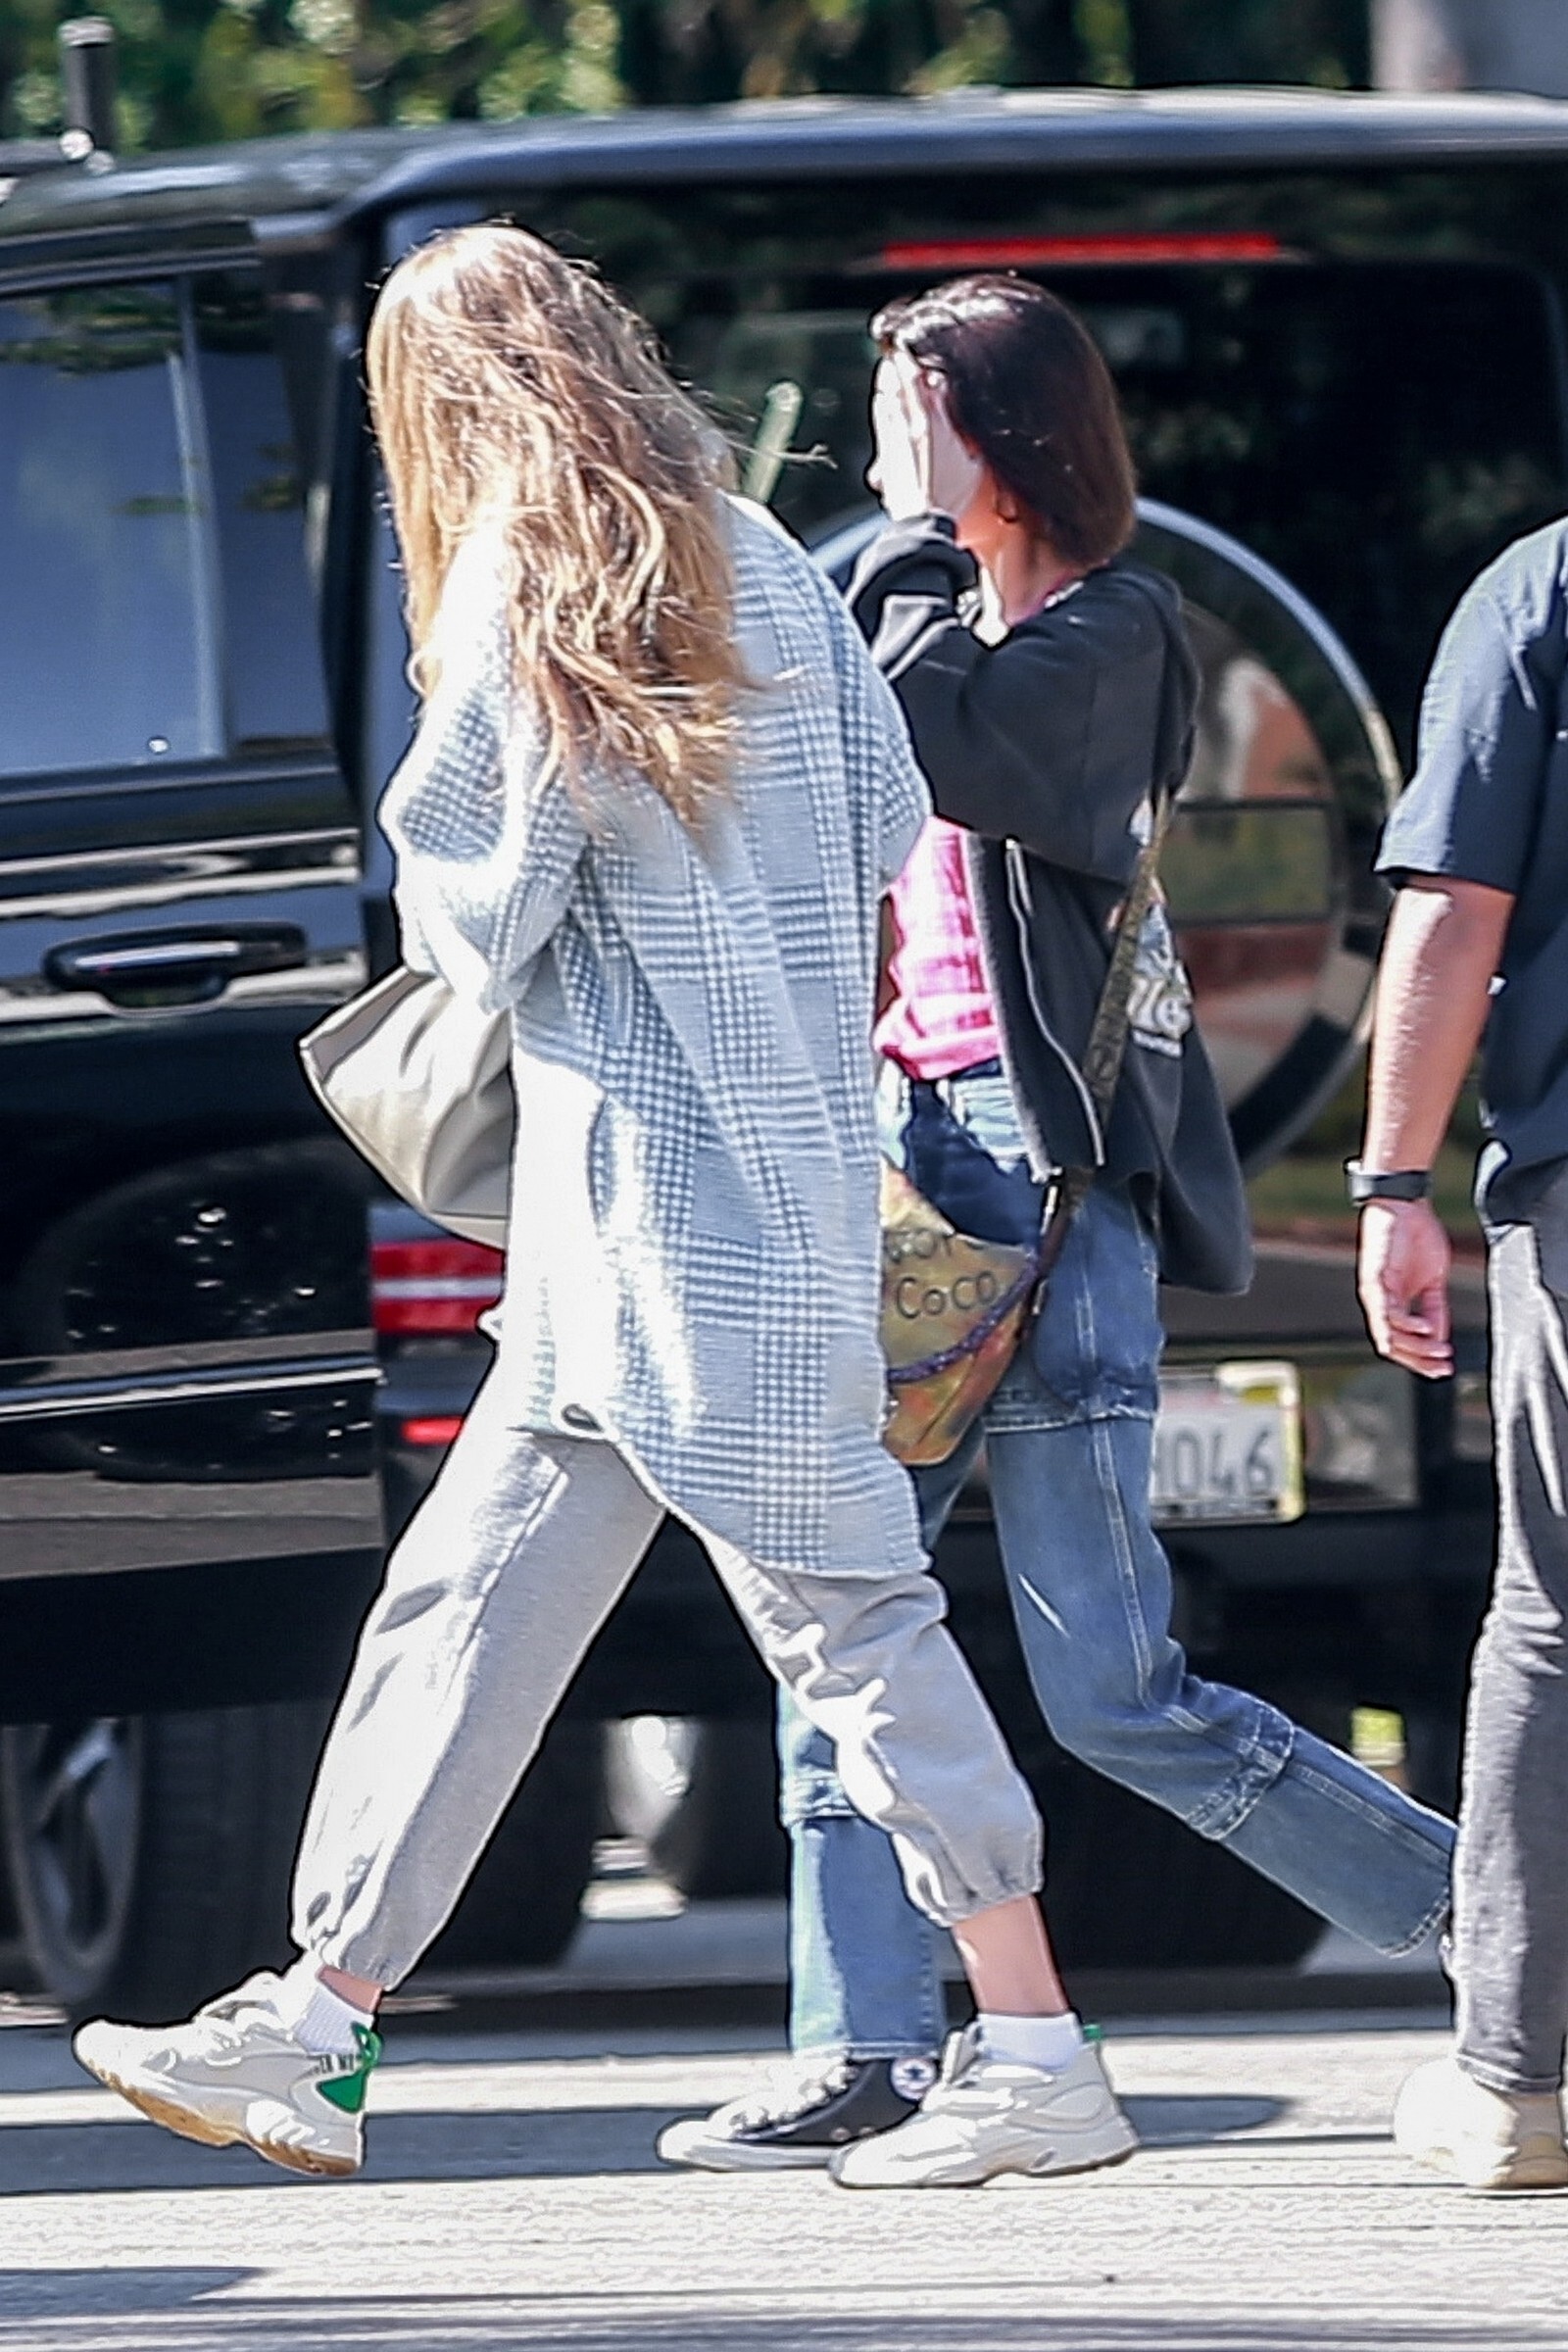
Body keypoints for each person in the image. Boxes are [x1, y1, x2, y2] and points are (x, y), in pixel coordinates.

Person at [70, 224, 1139, 2192]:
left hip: (661, 1220)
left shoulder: (523, 579)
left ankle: (1036, 2052)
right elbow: (884, 824)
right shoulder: (768, 558)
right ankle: (316, 2019)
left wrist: (453, 763)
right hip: (738, 1201)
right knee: (464, 1611)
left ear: (443, 407)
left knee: (852, 1627)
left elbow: (474, 914)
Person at [661, 276, 1456, 2183]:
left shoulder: (1112, 630)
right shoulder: (911, 606)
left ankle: (1496, 1924)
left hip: (1045, 1198)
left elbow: (956, 755)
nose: (881, 450)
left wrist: (918, 543)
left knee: (1113, 1694)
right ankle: (864, 2045)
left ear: (999, 439)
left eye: (909, 414)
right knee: (845, 1630)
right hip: (907, 1172)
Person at [1354, 523, 1568, 2191]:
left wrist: (1392, 1185)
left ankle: (1512, 2085)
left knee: (1556, 1614)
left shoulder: (1542, 591)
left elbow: (1455, 910)